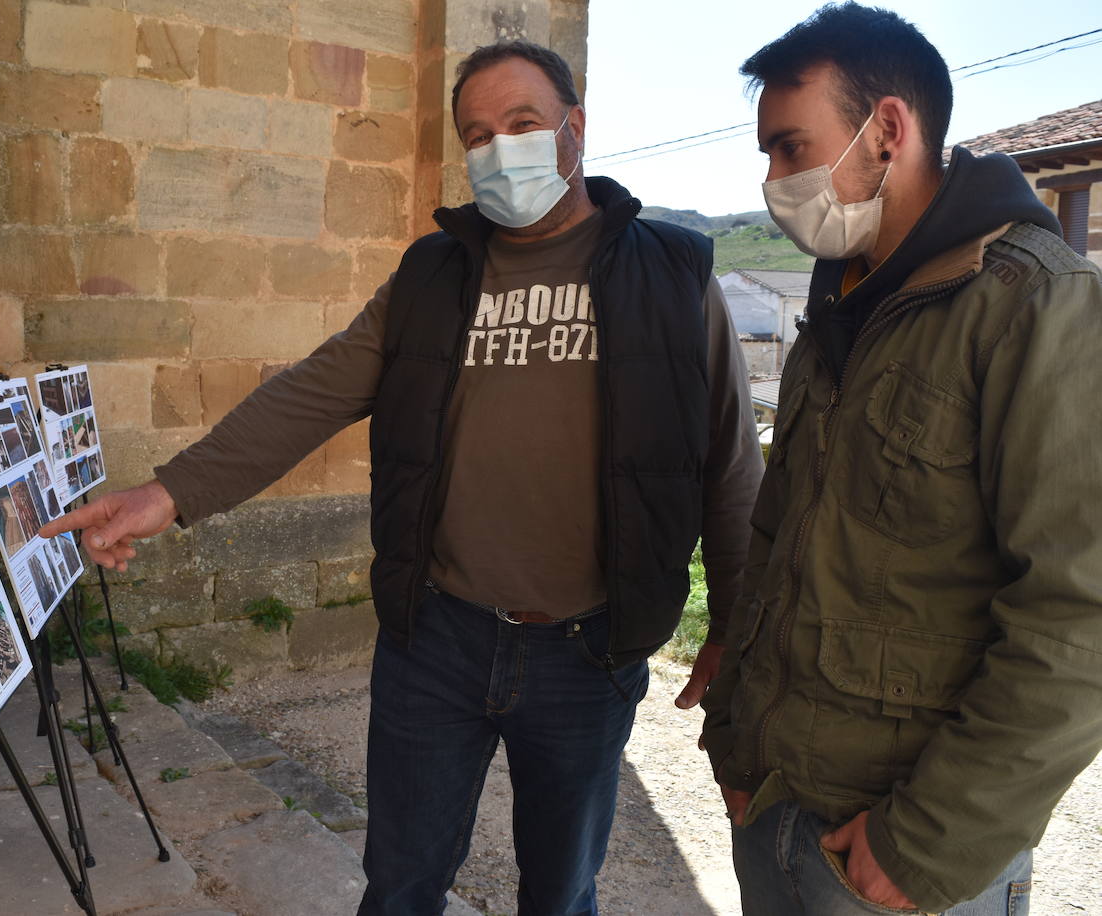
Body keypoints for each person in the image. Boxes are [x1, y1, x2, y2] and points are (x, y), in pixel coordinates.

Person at [43, 40, 761, 914]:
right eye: (478, 134)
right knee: (400, 887)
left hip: (589, 650)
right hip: (438, 642)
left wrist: (735, 625)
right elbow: (312, 391)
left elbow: (729, 465)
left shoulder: (676, 275)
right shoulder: (433, 275)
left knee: (563, 892)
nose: (500, 149)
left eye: (524, 124)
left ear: (576, 128)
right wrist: (168, 493)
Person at [699, 4, 1102, 914]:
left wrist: (926, 845)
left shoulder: (1034, 308)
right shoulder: (841, 303)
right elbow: (781, 535)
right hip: (772, 811)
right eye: (767, 154)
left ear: (886, 130)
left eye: (792, 148)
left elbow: (1078, 618)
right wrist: (737, 741)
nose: (774, 179)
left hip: (896, 862)